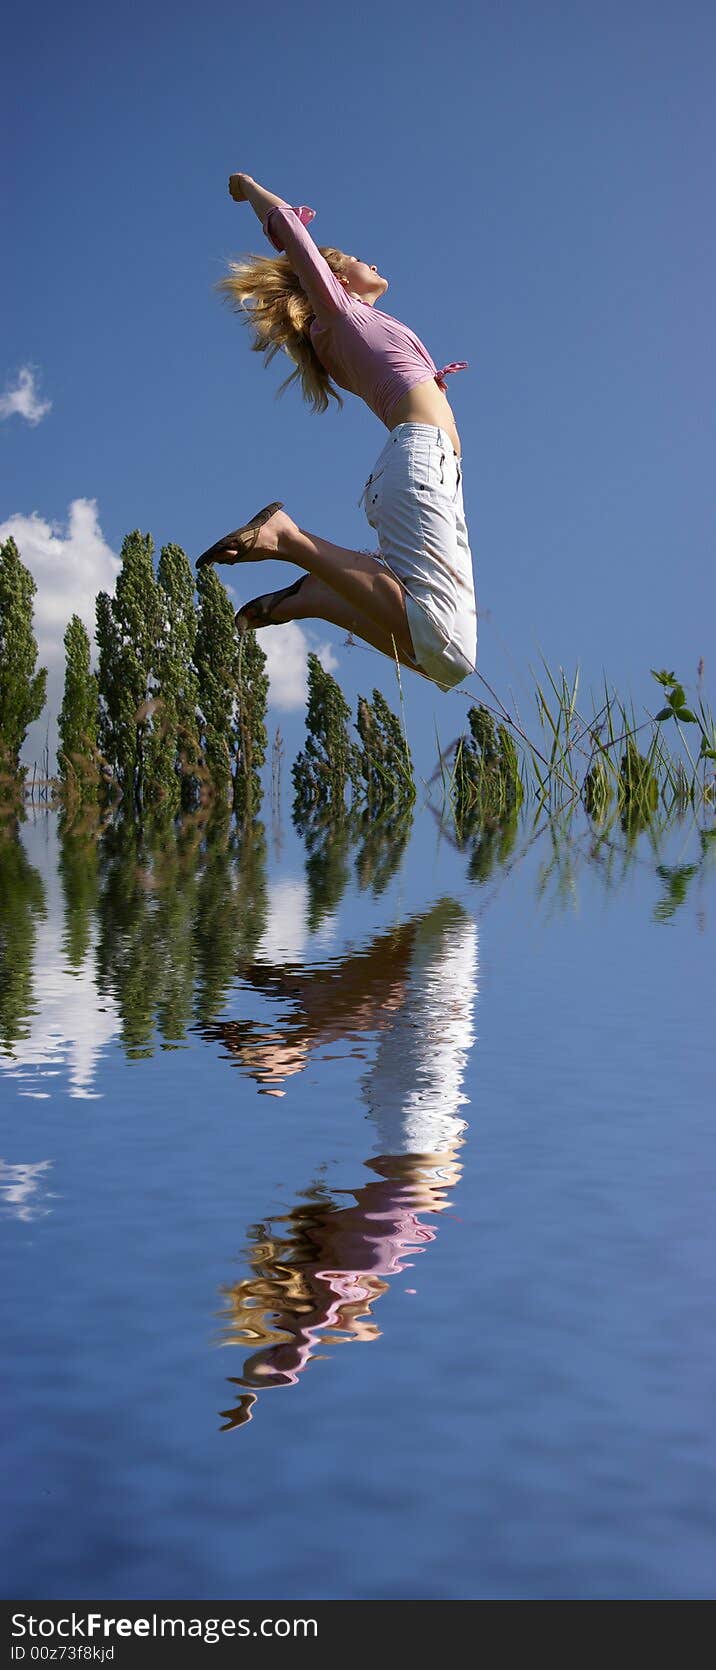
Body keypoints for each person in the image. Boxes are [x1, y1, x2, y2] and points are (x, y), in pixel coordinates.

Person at [196, 172, 478, 692]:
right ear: (335, 279)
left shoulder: (346, 326)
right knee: (449, 648)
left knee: (448, 665)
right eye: (354, 258)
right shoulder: (339, 318)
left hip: (429, 469)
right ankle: (289, 539)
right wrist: (255, 193)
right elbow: (292, 238)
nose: (371, 261)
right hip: (419, 462)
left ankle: (324, 598)